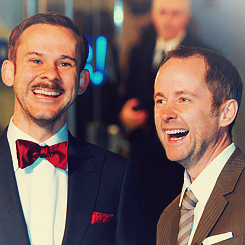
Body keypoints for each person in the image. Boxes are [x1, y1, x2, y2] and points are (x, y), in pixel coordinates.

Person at [0, 13, 149, 245]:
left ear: (81, 81)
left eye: (64, 63)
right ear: (9, 72)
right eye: (36, 60)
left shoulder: (115, 175)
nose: (51, 75)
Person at [118, 0, 212, 243]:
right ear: (153, 15)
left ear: (186, 17)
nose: (168, 19)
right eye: (162, 13)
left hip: (183, 165)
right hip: (143, 161)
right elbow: (126, 97)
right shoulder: (139, 51)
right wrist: (124, 117)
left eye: (175, 13)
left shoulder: (204, 56)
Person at [155, 46, 244, 244]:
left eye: (183, 99)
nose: (165, 114)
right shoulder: (168, 219)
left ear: (226, 112)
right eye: (160, 100)